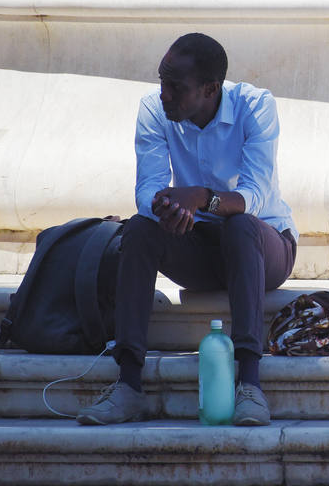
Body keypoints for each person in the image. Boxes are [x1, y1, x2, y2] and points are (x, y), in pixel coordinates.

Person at [77, 32, 297, 426]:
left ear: (211, 89)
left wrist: (202, 199)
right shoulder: (153, 109)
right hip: (195, 245)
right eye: (162, 81)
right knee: (141, 229)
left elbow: (256, 195)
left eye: (175, 86)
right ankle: (128, 385)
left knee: (240, 226)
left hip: (264, 247)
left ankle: (249, 383)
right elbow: (147, 187)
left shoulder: (256, 106)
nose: (164, 94)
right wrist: (165, 207)